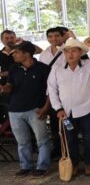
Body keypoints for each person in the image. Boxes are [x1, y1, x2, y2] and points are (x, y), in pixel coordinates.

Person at [47, 38, 90, 176]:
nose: (70, 54)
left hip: (87, 110)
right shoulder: (56, 68)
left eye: (74, 51)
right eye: (67, 51)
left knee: (89, 138)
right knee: (70, 139)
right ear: (64, 53)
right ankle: (74, 164)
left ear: (80, 52)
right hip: (66, 112)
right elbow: (52, 89)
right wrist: (58, 108)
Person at [1, 42, 52, 176]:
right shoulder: (13, 68)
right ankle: (26, 166)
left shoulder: (43, 69)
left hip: (36, 110)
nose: (14, 55)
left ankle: (42, 166)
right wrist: (5, 88)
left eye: (16, 53)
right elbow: (10, 85)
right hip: (14, 110)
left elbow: (51, 91)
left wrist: (45, 108)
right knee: (22, 141)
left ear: (27, 54)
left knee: (42, 140)